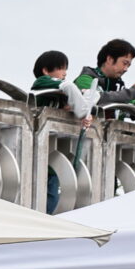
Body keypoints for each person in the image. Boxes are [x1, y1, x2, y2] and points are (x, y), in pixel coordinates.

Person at [29, 49, 96, 215]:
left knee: (51, 202)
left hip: (52, 162)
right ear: (46, 70)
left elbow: (69, 105)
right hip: (37, 157)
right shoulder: (42, 82)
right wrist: (82, 110)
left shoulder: (59, 94)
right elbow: (66, 86)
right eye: (61, 68)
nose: (65, 73)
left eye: (66, 69)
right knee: (41, 203)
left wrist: (83, 114)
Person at [75, 38, 135, 113]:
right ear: (109, 59)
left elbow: (134, 113)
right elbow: (96, 99)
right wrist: (132, 93)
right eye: (124, 63)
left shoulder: (119, 88)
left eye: (128, 65)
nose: (126, 69)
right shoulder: (85, 79)